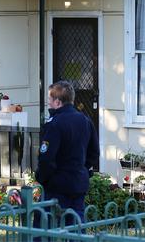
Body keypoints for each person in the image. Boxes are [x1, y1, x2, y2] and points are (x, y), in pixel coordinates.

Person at [35, 80, 99, 226]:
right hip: (78, 183)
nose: (49, 104)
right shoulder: (85, 120)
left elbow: (46, 158)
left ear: (57, 102)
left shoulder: (55, 124)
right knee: (76, 227)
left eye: (50, 100)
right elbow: (94, 153)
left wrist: (43, 177)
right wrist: (82, 169)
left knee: (43, 227)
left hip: (57, 185)